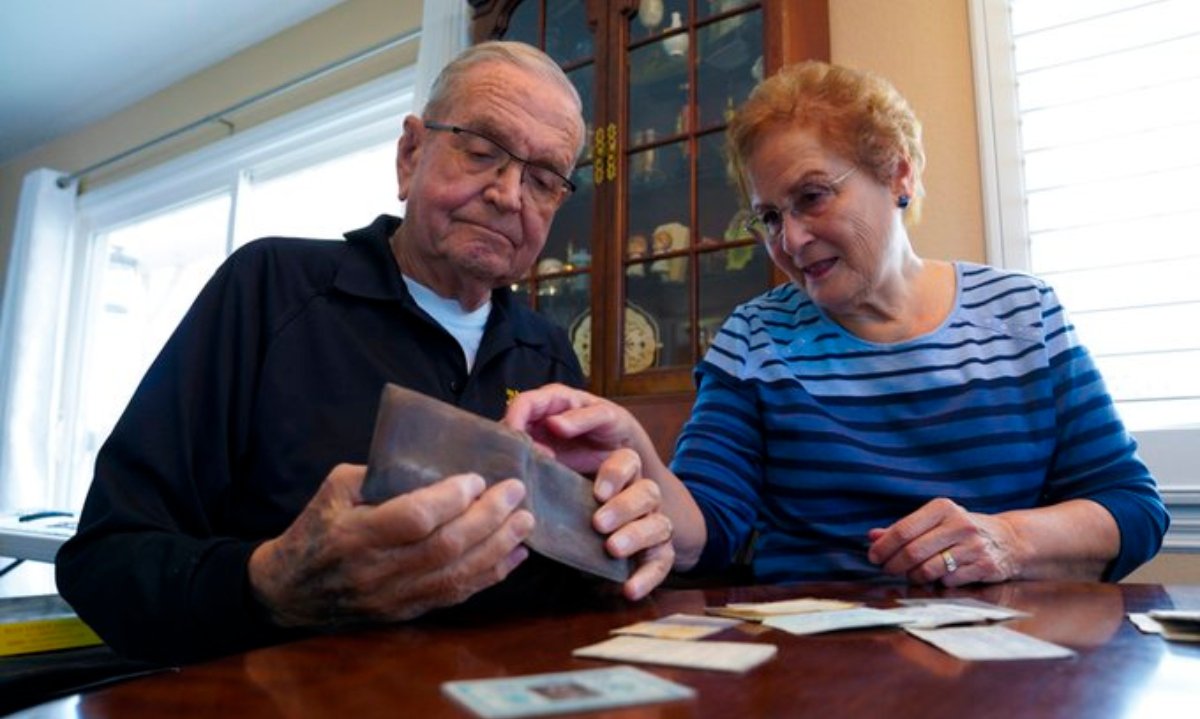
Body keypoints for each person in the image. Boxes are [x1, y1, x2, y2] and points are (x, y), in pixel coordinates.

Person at [55, 41, 674, 665]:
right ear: (410, 155)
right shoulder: (270, 288)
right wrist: (269, 583)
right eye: (482, 151)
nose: (510, 195)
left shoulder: (548, 354)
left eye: (543, 180)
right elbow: (104, 562)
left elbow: (570, 580)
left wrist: (615, 551)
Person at [504, 60, 1168, 588]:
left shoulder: (1027, 315)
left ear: (898, 174)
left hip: (1011, 670)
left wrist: (1010, 540)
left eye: (813, 196)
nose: (790, 240)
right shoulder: (754, 341)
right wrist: (639, 456)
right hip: (815, 671)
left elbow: (1132, 509)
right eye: (768, 217)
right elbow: (708, 530)